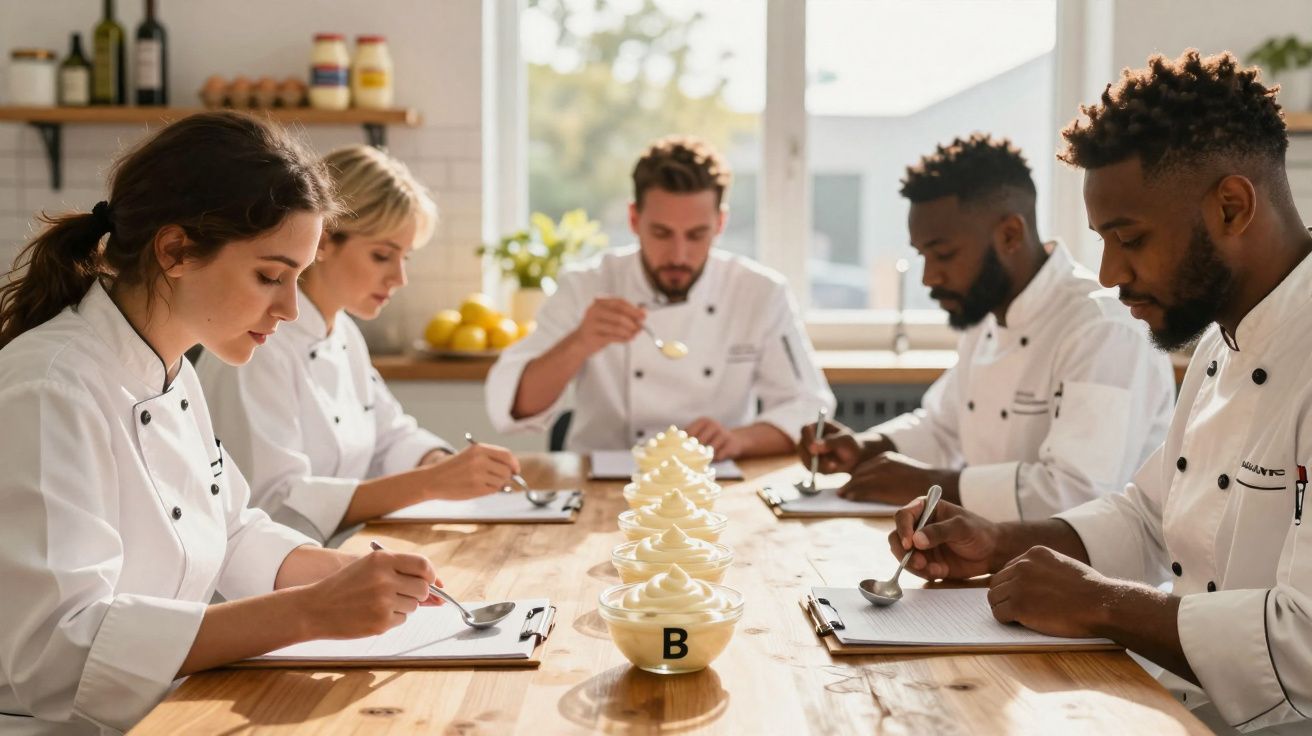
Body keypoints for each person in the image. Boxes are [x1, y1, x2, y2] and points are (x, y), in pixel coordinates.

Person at [888, 50, 1312, 733]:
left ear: (1231, 207)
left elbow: (1304, 642)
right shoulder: (1218, 338)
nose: (1111, 273)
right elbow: (1149, 517)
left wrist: (1103, 604)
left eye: (1130, 238)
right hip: (1189, 700)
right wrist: (997, 541)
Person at [0, 112, 445, 735]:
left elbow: (232, 532)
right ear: (176, 250)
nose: (291, 308)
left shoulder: (172, 366)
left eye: (296, 278)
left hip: (168, 708)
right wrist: (309, 614)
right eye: (270, 276)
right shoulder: (49, 388)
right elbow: (59, 655)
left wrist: (345, 574)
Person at [798, 134, 1174, 519]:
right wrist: (866, 448)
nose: (929, 277)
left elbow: (1076, 493)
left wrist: (926, 485)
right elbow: (943, 427)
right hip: (995, 553)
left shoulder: (1103, 330)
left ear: (1010, 233)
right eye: (922, 256)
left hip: (1087, 574)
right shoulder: (986, 314)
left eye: (943, 254)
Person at [198, 145, 517, 545]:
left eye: (406, 258)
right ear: (324, 240)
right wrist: (431, 483)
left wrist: (442, 465)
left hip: (342, 552)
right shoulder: (255, 347)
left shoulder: (343, 332)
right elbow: (275, 506)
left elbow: (390, 435)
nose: (399, 278)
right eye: (383, 255)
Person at [486, 135, 834, 458]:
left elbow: (809, 405)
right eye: (662, 233)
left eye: (697, 234)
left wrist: (740, 439)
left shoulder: (759, 292)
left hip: (712, 481)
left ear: (720, 223)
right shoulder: (586, 285)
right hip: (601, 479)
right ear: (634, 219)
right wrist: (580, 342)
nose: (679, 255)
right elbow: (511, 404)